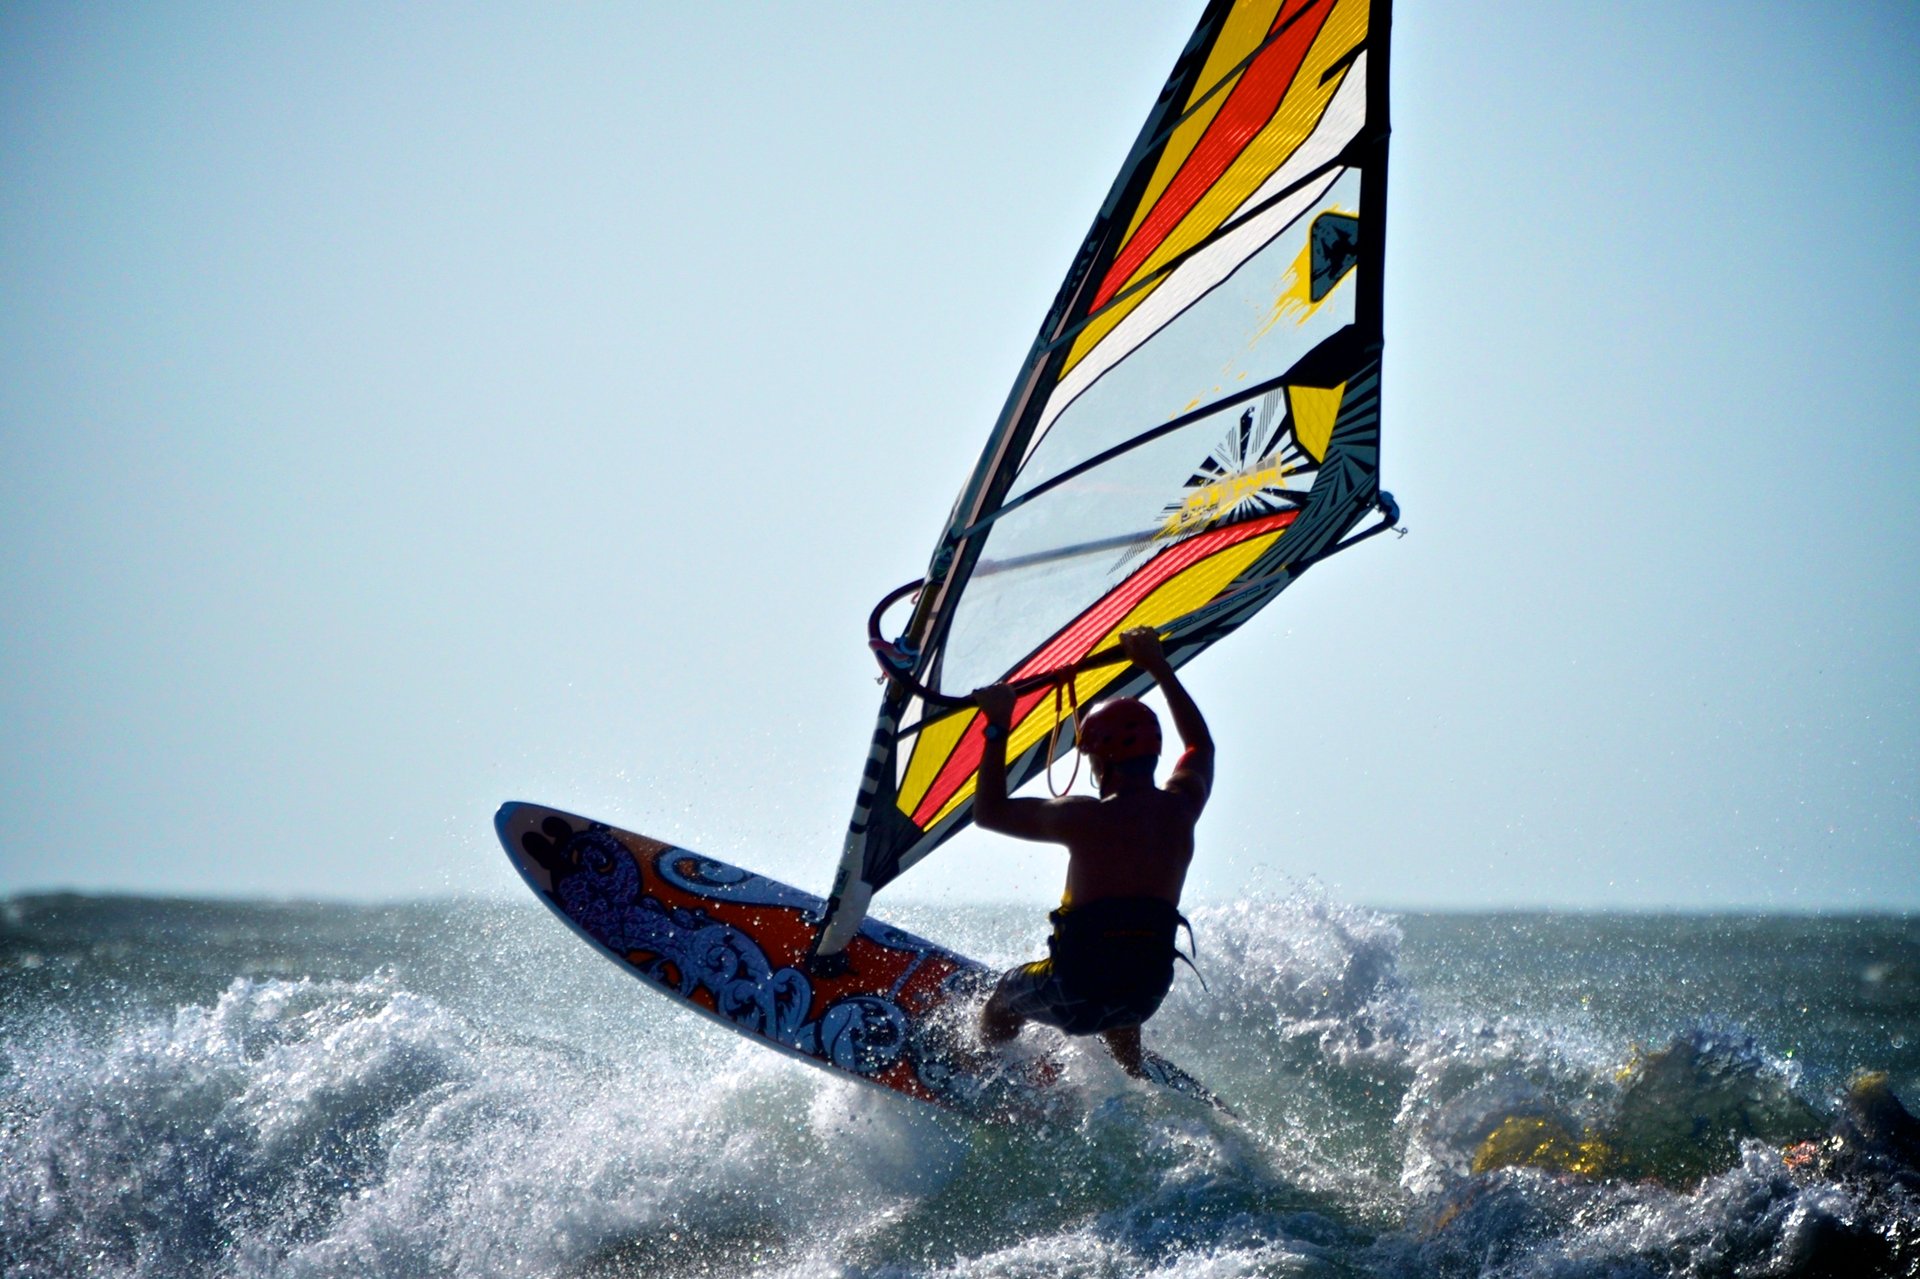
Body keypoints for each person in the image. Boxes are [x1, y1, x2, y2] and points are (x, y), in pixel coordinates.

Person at [971, 626, 1212, 1077]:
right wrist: (1158, 666)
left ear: (1101, 762)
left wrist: (997, 724)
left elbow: (989, 812)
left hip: (1075, 986)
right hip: (1148, 991)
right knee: (1127, 978)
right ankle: (1132, 1079)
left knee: (1006, 995)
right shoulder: (1183, 805)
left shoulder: (1083, 817)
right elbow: (1200, 745)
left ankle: (981, 1068)